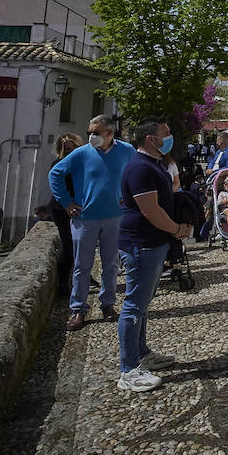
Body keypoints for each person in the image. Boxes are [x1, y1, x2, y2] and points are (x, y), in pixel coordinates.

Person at [116, 118, 191, 392]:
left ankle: (141, 353)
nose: (170, 136)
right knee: (134, 305)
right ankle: (128, 370)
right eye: (166, 133)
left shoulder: (153, 164)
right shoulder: (140, 168)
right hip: (141, 243)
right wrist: (177, 230)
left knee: (143, 303)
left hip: (152, 242)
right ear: (151, 139)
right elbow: (151, 211)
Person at [49, 114, 136, 331]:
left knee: (111, 264)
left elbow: (135, 174)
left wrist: (130, 194)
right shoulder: (81, 153)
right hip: (84, 218)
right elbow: (55, 174)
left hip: (115, 216)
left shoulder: (127, 151)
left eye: (95, 133)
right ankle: (78, 309)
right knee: (82, 265)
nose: (90, 137)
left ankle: (107, 304)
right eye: (89, 132)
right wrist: (67, 202)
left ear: (109, 133)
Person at [49, 133, 84, 297]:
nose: (70, 152)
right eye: (67, 149)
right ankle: (63, 284)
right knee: (69, 247)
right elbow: (57, 187)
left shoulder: (82, 162)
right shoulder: (59, 164)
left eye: (73, 148)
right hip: (62, 209)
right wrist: (67, 204)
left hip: (78, 208)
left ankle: (82, 277)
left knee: (81, 246)